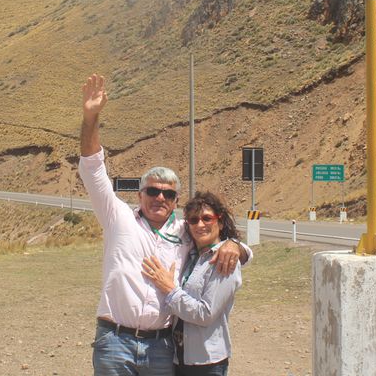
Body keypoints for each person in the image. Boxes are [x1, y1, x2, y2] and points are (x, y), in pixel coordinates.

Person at [80, 73, 250, 376]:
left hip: (162, 348)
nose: (160, 197)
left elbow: (213, 236)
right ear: (140, 193)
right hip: (114, 342)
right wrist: (91, 118)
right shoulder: (117, 216)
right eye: (153, 190)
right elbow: (93, 167)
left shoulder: (184, 230)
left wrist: (237, 246)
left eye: (169, 193)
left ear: (176, 200)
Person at [142, 192, 242, 376]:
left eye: (207, 218)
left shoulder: (223, 260)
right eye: (193, 220)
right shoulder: (193, 257)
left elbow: (205, 313)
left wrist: (170, 290)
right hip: (180, 358)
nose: (200, 224)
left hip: (206, 362)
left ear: (220, 222)